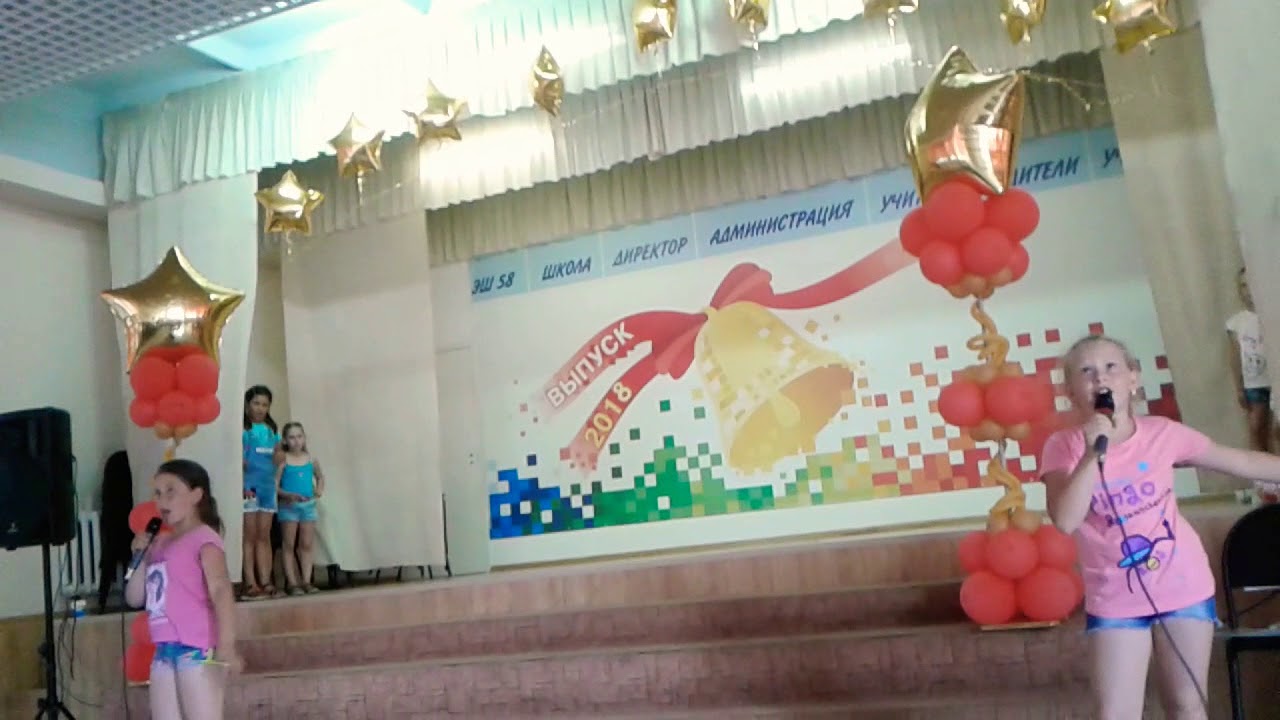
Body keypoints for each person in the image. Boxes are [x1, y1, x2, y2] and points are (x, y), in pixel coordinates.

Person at [1040, 335, 1280, 719]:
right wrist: (1092, 454)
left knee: (1186, 705)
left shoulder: (1163, 434)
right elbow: (1066, 520)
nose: (1100, 378)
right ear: (1070, 391)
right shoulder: (1062, 446)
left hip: (1182, 585)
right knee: (1114, 712)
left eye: (1111, 367)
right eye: (1086, 371)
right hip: (1115, 598)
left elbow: (1243, 462)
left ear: (1133, 378)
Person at [125, 459, 242, 720]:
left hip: (196, 646)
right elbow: (134, 597)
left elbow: (221, 591)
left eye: (171, 491)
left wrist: (227, 645)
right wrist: (140, 557)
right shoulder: (159, 544)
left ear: (196, 495)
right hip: (163, 649)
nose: (162, 500)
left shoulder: (204, 538)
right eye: (157, 493)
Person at [275, 422, 325, 595]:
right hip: (289, 507)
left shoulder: (311, 459)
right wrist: (287, 495)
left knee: (306, 544)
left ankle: (306, 580)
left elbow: (320, 477)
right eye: (292, 437)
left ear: (304, 438)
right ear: (285, 440)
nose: (296, 441)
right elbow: (275, 486)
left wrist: (319, 490)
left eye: (299, 436)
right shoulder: (284, 460)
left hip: (308, 506)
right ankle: (292, 582)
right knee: (289, 544)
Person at [1226, 267, 1272, 453]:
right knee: (1256, 426)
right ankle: (1264, 466)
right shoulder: (1236, 322)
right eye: (1243, 286)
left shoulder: (1272, 314)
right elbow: (1234, 357)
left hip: (1274, 379)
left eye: (1251, 284)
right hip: (1254, 383)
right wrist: (1239, 387)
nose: (1248, 291)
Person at [241, 385, 281, 600]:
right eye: (256, 403)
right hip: (249, 488)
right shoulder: (243, 430)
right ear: (247, 404)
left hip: (267, 488)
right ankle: (250, 583)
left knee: (264, 536)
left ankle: (266, 581)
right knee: (250, 536)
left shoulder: (272, 431)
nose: (260, 408)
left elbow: (277, 458)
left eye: (265, 404)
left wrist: (280, 458)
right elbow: (240, 461)